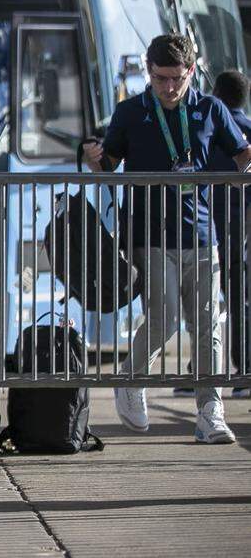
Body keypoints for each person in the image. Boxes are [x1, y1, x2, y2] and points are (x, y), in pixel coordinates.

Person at [83, 34, 251, 444]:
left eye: (177, 78)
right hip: (151, 235)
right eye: (161, 79)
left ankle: (211, 412)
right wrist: (95, 161)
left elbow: (242, 153)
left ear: (191, 72)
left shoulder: (210, 108)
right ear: (149, 73)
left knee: (208, 325)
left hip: (202, 232)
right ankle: (131, 380)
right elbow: (109, 164)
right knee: (165, 319)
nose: (169, 87)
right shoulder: (131, 111)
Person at [171, 70, 251, 398]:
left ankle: (199, 371)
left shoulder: (206, 123)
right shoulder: (245, 131)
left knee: (199, 303)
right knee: (238, 300)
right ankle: (243, 370)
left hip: (202, 226)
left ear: (216, 92)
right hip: (237, 229)